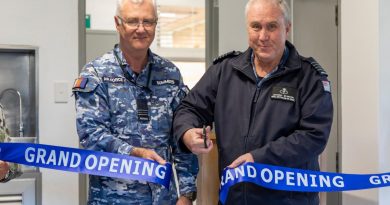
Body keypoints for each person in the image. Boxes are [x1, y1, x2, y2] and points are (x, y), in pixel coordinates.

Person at [173, 0, 333, 204]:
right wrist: (187, 132)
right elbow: (189, 108)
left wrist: (259, 159)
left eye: (272, 26)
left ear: (287, 28)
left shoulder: (310, 77)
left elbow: (314, 136)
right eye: (256, 26)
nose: (263, 36)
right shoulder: (224, 71)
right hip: (235, 199)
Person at [73, 0, 198, 204]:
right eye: (133, 21)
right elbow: (91, 136)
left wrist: (186, 194)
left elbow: (181, 136)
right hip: (111, 198)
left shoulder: (170, 74)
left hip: (163, 198)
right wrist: (133, 153)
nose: (141, 29)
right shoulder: (96, 74)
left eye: (148, 22)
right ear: (118, 23)